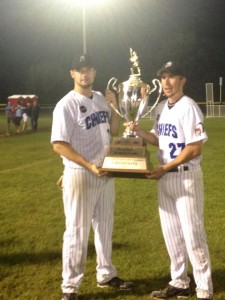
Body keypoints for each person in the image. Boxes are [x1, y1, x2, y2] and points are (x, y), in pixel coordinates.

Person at [51, 53, 134, 300]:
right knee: (77, 231)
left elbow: (114, 131)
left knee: (105, 227)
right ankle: (70, 287)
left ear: (94, 72)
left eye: (88, 69)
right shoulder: (66, 104)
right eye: (80, 70)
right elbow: (59, 144)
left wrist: (115, 107)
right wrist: (84, 166)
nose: (84, 74)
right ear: (72, 74)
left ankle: (106, 274)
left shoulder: (99, 99)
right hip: (82, 175)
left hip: (106, 173)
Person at [133, 61, 213, 300]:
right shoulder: (160, 108)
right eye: (163, 77)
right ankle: (179, 282)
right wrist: (139, 133)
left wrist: (165, 167)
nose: (167, 82)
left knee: (193, 234)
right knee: (172, 235)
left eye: (172, 77)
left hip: (185, 177)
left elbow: (195, 148)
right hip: (164, 176)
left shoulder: (189, 107)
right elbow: (158, 139)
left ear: (182, 80)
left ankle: (203, 288)